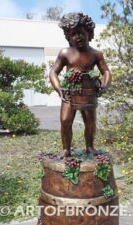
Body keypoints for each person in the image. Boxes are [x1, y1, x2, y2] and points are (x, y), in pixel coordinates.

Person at [49, 12, 111, 157]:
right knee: (65, 121)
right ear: (68, 37)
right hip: (69, 94)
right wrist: (59, 89)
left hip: (89, 94)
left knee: (90, 123)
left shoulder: (96, 54)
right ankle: (66, 149)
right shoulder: (65, 53)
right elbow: (53, 73)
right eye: (74, 34)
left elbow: (106, 71)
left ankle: (90, 147)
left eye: (81, 33)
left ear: (88, 33)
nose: (78, 37)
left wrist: (104, 85)